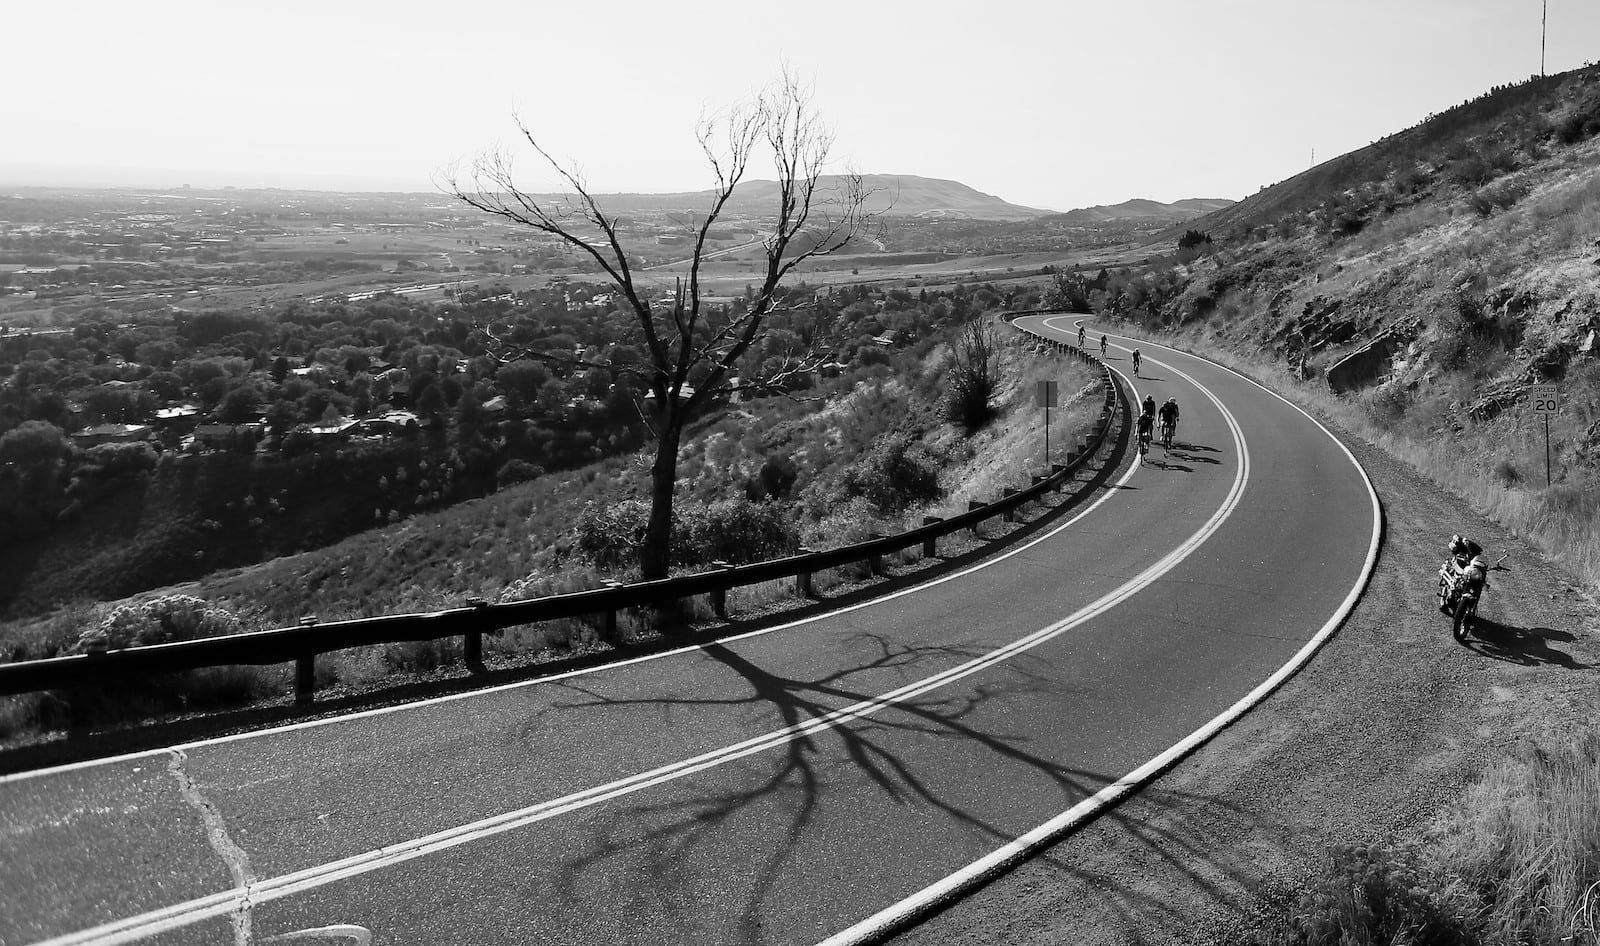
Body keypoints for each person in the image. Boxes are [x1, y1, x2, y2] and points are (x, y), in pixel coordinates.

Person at [1441, 534, 1487, 612]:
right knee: (1456, 579)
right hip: (1461, 565)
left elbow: (1478, 554)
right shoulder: (1464, 546)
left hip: (1469, 565)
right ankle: (1445, 595)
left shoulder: (1475, 551)